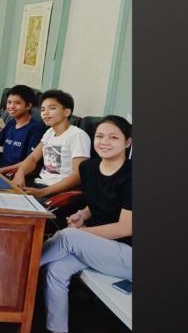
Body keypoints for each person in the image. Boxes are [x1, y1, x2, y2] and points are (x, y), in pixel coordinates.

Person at [39, 115, 132, 333]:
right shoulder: (89, 168)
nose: (104, 142)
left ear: (127, 142)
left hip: (127, 253)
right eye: (99, 136)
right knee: (55, 270)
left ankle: (22, 269)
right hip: (98, 249)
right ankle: (57, 330)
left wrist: (83, 232)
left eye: (113, 137)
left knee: (70, 236)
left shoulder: (132, 176)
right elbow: (101, 202)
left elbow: (125, 228)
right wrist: (83, 214)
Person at [12, 90, 91, 199]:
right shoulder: (50, 132)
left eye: (52, 108)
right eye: (43, 109)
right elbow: (33, 158)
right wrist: (19, 173)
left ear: (66, 112)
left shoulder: (77, 136)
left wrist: (43, 192)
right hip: (39, 185)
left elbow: (79, 175)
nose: (45, 113)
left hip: (57, 193)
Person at [0, 85, 45, 175]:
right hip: (0, 168)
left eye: (17, 103)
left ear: (28, 106)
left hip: (14, 173)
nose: (11, 106)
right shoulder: (11, 123)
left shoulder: (35, 129)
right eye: (9, 102)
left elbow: (29, 162)